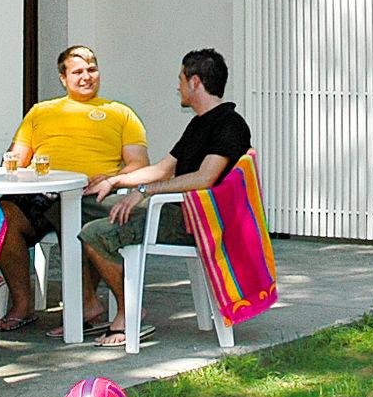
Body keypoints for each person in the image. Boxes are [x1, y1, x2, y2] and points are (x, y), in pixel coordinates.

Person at [82, 48, 252, 345]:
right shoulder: (200, 122)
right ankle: (85, 305)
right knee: (86, 205)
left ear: (195, 82)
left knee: (94, 232)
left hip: (197, 222)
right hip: (176, 211)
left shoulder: (230, 125)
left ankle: (127, 314)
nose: (178, 86)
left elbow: (205, 179)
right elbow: (162, 169)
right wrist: (114, 180)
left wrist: (143, 192)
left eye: (181, 79)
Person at [0, 44, 148, 335]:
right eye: (77, 71)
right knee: (0, 217)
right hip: (40, 192)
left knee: (68, 211)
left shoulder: (119, 113)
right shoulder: (41, 111)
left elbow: (139, 164)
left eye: (91, 69)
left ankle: (86, 304)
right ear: (63, 78)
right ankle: (23, 304)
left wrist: (111, 177)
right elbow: (17, 156)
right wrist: (11, 161)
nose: (86, 76)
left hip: (90, 195)